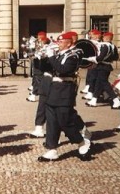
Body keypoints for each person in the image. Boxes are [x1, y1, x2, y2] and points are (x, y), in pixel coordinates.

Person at [38, 32, 91, 162]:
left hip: (65, 90)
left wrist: (51, 57)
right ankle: (52, 149)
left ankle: (81, 142)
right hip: (53, 89)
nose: (58, 44)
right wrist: (40, 58)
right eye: (58, 42)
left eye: (61, 42)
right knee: (51, 122)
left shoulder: (75, 54)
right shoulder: (59, 54)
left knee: (65, 121)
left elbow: (62, 69)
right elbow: (46, 69)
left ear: (69, 42)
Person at [86, 32, 120, 108]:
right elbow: (116, 57)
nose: (103, 38)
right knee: (99, 83)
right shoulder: (113, 46)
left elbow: (100, 57)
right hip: (107, 65)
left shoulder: (104, 45)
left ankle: (115, 99)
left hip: (102, 66)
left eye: (104, 37)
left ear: (106, 38)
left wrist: (92, 59)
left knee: (104, 83)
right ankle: (94, 100)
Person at [81, 29, 102, 100]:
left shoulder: (96, 43)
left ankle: (91, 93)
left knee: (93, 78)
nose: (90, 35)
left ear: (96, 36)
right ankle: (90, 91)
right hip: (92, 61)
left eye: (92, 34)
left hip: (95, 62)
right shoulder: (94, 42)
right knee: (91, 77)